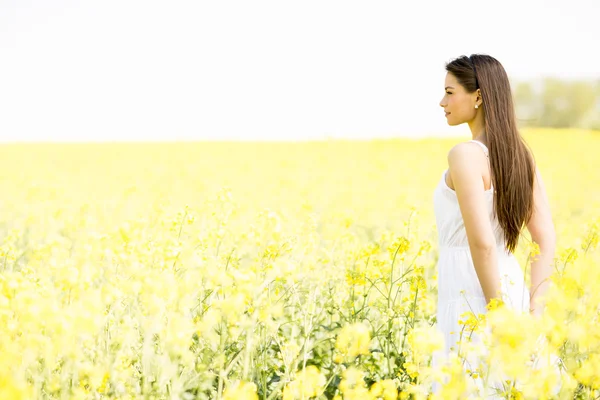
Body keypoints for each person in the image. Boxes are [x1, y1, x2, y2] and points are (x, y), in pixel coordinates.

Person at [431, 54, 557, 396]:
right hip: (510, 288)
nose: (442, 102)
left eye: (449, 91)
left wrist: (496, 315)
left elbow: (482, 244)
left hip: (474, 292)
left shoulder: (464, 155)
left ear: (478, 96)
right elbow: (545, 240)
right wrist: (535, 311)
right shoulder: (520, 155)